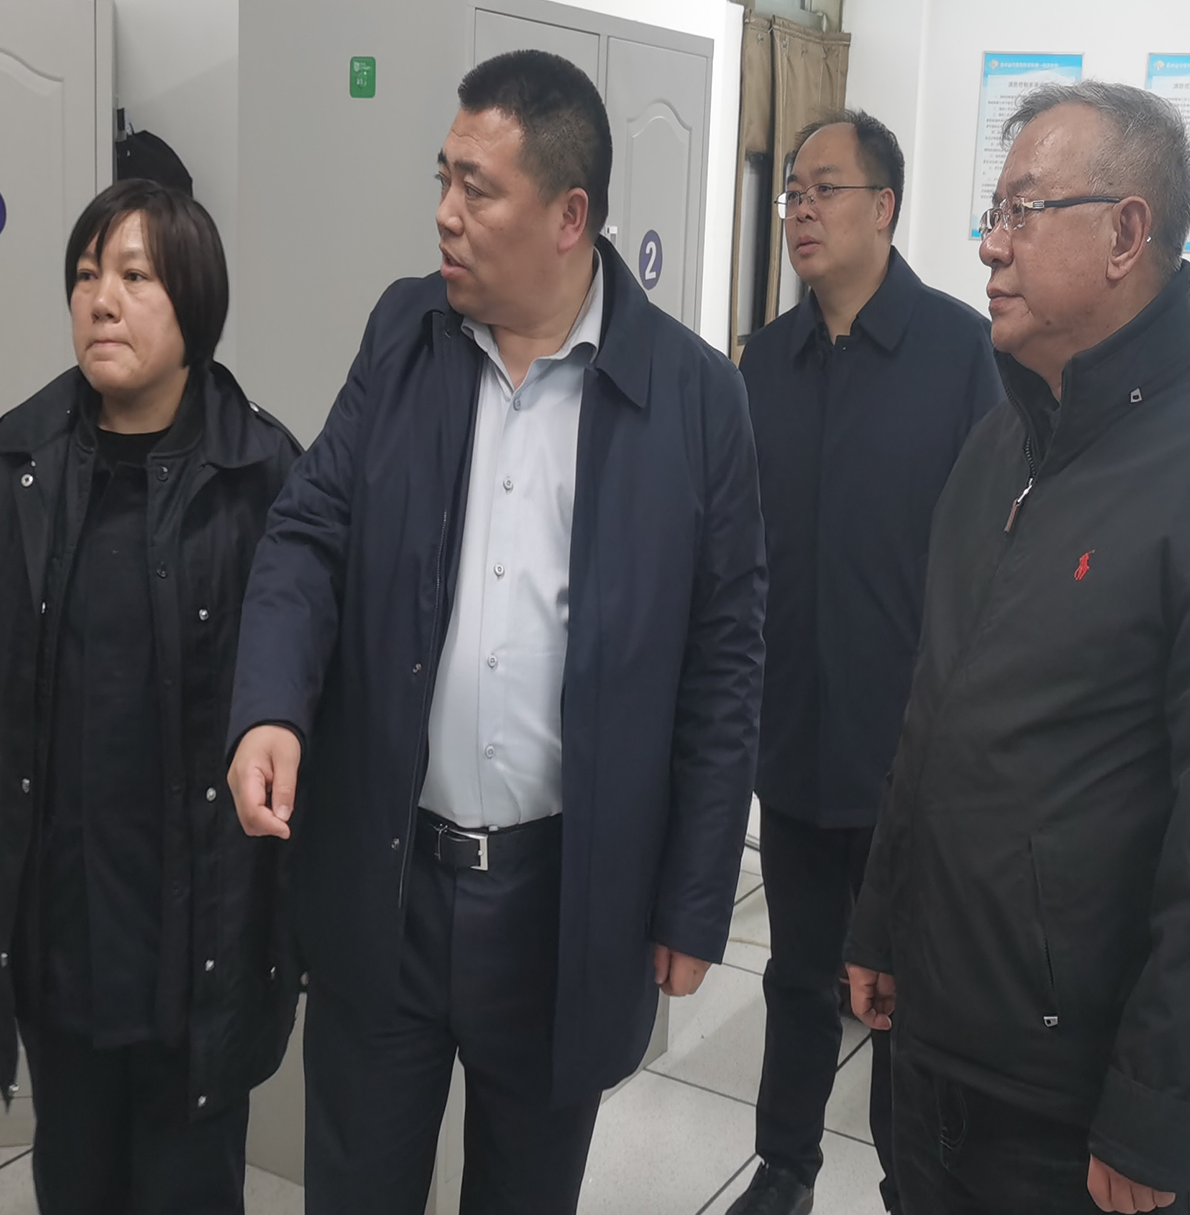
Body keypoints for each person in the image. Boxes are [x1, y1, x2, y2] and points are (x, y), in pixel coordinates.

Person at [224, 51, 766, 1215]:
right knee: (357, 1187)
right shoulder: (406, 332)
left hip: (562, 902)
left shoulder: (693, 400)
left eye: (477, 188)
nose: (445, 213)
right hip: (391, 878)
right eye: (443, 178)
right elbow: (311, 526)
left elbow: (724, 662)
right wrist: (270, 705)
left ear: (570, 217)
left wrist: (694, 895)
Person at [843, 80, 1190, 1213]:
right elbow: (934, 715)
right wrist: (880, 917)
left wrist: (1155, 1106)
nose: (989, 245)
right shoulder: (999, 445)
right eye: (993, 213)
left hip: (1068, 1098)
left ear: (1124, 234)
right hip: (929, 1044)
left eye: (1022, 211)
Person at [0, 179, 302, 1214]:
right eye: (87, 276)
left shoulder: (261, 474)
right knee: (73, 1182)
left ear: (193, 303)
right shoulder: (18, 461)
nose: (102, 301)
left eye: (134, 276)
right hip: (64, 944)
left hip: (196, 951)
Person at [727, 110, 999, 1215]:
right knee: (798, 974)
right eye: (792, 192)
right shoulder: (766, 362)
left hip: (909, 751)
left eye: (823, 190)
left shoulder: (960, 353)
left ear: (883, 208)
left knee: (903, 991)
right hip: (794, 735)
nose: (799, 209)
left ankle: (911, 1180)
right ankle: (784, 1165)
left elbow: (992, 552)